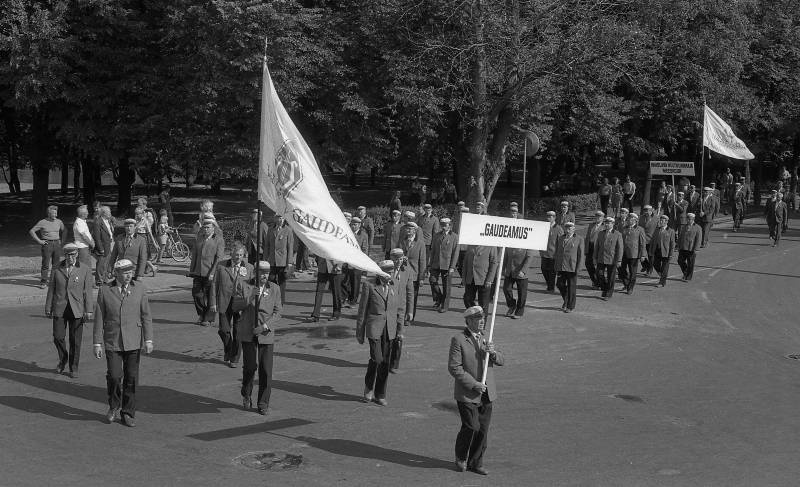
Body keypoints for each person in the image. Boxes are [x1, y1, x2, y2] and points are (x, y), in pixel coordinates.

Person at [93, 259, 154, 427]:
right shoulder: (105, 290)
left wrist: (148, 339)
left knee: (131, 378)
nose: (129, 276)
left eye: (130, 272)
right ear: (117, 273)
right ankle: (113, 405)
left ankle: (127, 412)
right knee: (114, 376)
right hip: (113, 341)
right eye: (125, 273)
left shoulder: (139, 288)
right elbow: (99, 318)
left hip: (133, 340)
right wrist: (97, 343)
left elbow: (146, 315)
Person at [448, 305, 504, 476]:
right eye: (479, 319)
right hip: (468, 392)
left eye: (483, 319)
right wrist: (474, 384)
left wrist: (493, 353)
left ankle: (476, 462)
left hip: (487, 392)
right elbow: (454, 367)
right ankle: (461, 456)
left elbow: (502, 360)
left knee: (483, 429)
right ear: (469, 321)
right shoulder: (458, 339)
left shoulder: (487, 337)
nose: (482, 322)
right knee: (471, 426)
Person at [356, 260, 402, 406]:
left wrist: (400, 330)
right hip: (374, 328)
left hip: (390, 329)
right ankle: (368, 388)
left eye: (391, 271)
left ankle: (380, 394)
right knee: (377, 359)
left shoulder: (395, 285)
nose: (389, 274)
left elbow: (399, 310)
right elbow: (362, 310)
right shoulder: (369, 285)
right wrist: (359, 332)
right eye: (387, 272)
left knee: (385, 363)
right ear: (380, 272)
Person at [239, 260, 281, 415]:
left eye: (267, 272)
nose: (265, 275)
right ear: (255, 272)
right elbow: (236, 306)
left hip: (265, 333)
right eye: (262, 272)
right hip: (248, 332)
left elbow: (278, 312)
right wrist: (250, 297)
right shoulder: (245, 285)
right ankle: (246, 392)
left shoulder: (274, 288)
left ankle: (263, 403)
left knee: (266, 370)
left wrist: (264, 327)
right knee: (250, 367)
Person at [45, 243, 92, 378]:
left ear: (77, 254)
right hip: (60, 307)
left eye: (73, 254)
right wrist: (48, 307)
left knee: (75, 341)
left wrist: (89, 310)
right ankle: (63, 357)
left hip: (77, 309)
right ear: (64, 255)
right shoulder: (56, 268)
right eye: (68, 255)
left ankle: (73, 367)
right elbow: (51, 290)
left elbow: (88, 292)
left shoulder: (85, 269)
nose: (70, 257)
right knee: (58, 337)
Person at [212, 241, 253, 368]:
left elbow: (252, 287)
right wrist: (213, 303)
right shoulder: (221, 266)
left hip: (241, 304)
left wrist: (250, 303)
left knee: (238, 331)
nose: (238, 257)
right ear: (231, 254)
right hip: (225, 302)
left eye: (241, 255)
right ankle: (228, 349)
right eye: (236, 255)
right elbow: (214, 285)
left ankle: (234, 358)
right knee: (224, 330)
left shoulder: (249, 268)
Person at [189, 217, 225, 326]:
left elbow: (218, 258)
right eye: (204, 227)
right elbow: (195, 255)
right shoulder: (199, 238)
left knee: (210, 296)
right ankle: (202, 314)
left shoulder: (218, 239)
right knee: (197, 294)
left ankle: (208, 319)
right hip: (198, 272)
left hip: (210, 272)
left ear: (213, 228)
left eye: (208, 227)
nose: (205, 229)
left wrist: (213, 272)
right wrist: (192, 270)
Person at [387, 249, 414, 373]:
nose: (398, 262)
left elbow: (410, 292)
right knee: (387, 336)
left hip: (401, 309)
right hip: (388, 309)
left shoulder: (407, 271)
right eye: (396, 259)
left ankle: (394, 364)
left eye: (401, 259)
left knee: (399, 336)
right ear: (391, 258)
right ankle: (384, 360)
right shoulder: (386, 270)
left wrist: (410, 310)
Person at [429, 217, 459, 313]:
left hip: (447, 264)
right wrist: (430, 264)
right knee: (432, 280)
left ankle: (444, 306)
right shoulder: (437, 235)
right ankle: (439, 298)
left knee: (446, 286)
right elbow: (433, 250)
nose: (443, 226)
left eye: (445, 225)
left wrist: (452, 267)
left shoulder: (454, 236)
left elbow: (455, 253)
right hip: (436, 263)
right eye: (441, 224)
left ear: (450, 225)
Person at [554, 222, 584, 313]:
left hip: (572, 266)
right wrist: (556, 266)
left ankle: (570, 306)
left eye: (570, 227)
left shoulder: (579, 239)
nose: (568, 229)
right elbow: (557, 253)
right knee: (559, 284)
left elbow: (581, 254)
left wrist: (578, 267)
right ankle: (566, 299)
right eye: (566, 227)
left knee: (571, 287)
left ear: (574, 229)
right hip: (561, 266)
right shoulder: (560, 238)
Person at [265, 214, 294, 305]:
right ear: (275, 219)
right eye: (278, 217)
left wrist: (289, 262)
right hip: (272, 260)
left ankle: (281, 301)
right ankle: (272, 300)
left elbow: (290, 247)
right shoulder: (270, 229)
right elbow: (267, 246)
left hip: (282, 260)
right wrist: (265, 259)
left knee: (282, 282)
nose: (280, 220)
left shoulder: (288, 230)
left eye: (282, 218)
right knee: (271, 279)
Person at [400, 222, 426, 320]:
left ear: (415, 230)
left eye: (410, 229)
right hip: (403, 273)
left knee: (412, 297)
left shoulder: (420, 243)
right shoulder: (402, 241)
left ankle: (410, 317)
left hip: (414, 275)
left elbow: (422, 261)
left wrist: (421, 278)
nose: (408, 230)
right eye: (407, 228)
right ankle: (402, 316)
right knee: (403, 296)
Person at [594, 217, 623, 300]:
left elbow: (620, 248)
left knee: (611, 277)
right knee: (599, 274)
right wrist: (595, 257)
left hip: (612, 258)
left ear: (613, 224)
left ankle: (608, 293)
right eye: (606, 223)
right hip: (601, 258)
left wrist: (619, 260)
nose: (606, 224)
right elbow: (597, 246)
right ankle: (605, 288)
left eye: (608, 223)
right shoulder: (601, 233)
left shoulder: (617, 234)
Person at [462, 244, 498, 312]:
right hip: (470, 278)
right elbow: (465, 262)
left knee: (483, 303)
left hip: (484, 279)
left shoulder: (491, 246)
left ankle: (482, 321)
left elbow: (493, 263)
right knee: (467, 299)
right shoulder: (471, 245)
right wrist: (464, 278)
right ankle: (476, 312)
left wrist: (489, 280)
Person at [502, 245, 533, 319]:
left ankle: (519, 311)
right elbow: (505, 256)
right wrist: (503, 268)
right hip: (510, 271)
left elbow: (529, 258)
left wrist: (523, 271)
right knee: (506, 288)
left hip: (521, 273)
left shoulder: (528, 243)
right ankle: (512, 305)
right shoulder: (510, 242)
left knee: (522, 293)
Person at [308, 256, 342, 322]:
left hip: (334, 267)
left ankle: (336, 314)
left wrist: (339, 265)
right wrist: (317, 260)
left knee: (336, 292)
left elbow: (340, 251)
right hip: (322, 266)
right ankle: (315, 315)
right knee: (319, 291)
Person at [345, 217, 369, 307]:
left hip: (357, 261)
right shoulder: (348, 233)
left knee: (355, 282)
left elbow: (365, 249)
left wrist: (362, 261)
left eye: (355, 225)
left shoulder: (363, 235)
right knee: (346, 280)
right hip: (348, 260)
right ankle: (346, 297)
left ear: (359, 225)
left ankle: (353, 301)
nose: (353, 226)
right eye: (352, 224)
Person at [620, 213, 646, 295]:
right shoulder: (624, 228)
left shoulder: (640, 229)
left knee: (633, 272)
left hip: (634, 254)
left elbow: (642, 243)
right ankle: (627, 283)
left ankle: (630, 287)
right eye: (628, 218)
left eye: (631, 219)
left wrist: (643, 255)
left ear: (635, 220)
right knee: (621, 269)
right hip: (624, 253)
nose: (628, 220)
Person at [648, 215, 675, 287]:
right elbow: (653, 240)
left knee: (665, 267)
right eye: (660, 220)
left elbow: (672, 244)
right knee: (655, 264)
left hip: (666, 252)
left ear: (666, 222)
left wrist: (671, 254)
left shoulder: (671, 231)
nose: (660, 222)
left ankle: (662, 282)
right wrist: (651, 250)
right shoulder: (657, 229)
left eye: (662, 221)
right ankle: (661, 274)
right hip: (657, 250)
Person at [539, 211, 563, 292]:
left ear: (554, 217)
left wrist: (559, 254)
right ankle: (550, 284)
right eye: (548, 216)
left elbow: (561, 242)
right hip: (544, 253)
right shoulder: (544, 227)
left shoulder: (558, 228)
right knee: (543, 269)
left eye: (550, 217)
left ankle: (551, 287)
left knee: (552, 272)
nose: (548, 218)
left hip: (553, 254)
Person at [92, 206, 115, 286]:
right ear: (104, 213)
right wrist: (100, 248)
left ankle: (104, 279)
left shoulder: (107, 221)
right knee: (101, 265)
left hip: (108, 245)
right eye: (109, 212)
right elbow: (97, 237)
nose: (110, 213)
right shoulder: (98, 222)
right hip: (102, 247)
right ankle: (99, 281)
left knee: (106, 264)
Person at [677, 213, 702, 281]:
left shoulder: (698, 227)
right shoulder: (684, 227)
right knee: (680, 261)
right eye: (687, 219)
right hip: (683, 247)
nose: (688, 220)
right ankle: (685, 272)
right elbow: (680, 236)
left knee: (690, 263)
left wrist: (696, 249)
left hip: (691, 248)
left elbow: (698, 239)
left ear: (693, 219)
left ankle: (688, 277)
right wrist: (678, 245)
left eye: (689, 219)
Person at [584, 210, 604, 288]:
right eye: (596, 216)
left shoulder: (604, 226)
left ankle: (600, 282)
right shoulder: (591, 225)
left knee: (599, 267)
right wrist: (586, 249)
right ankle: (595, 281)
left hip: (598, 249)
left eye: (599, 216)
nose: (597, 218)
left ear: (603, 218)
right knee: (588, 264)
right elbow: (587, 237)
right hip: (590, 247)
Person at [638, 206, 658, 275]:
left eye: (648, 210)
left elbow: (658, 229)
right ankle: (645, 265)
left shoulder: (656, 218)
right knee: (640, 253)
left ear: (651, 210)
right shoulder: (641, 217)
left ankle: (650, 270)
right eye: (645, 210)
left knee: (650, 255)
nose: (646, 212)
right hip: (642, 238)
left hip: (651, 240)